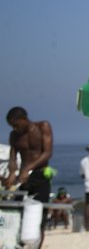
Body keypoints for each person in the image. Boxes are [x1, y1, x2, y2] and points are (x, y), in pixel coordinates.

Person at [3, 106, 53, 249]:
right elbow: (13, 160)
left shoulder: (43, 126)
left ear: (23, 119)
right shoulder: (14, 136)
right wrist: (11, 175)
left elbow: (47, 153)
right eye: (12, 126)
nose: (15, 128)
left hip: (40, 175)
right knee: (16, 211)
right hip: (23, 179)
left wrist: (28, 168)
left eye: (16, 125)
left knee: (40, 215)